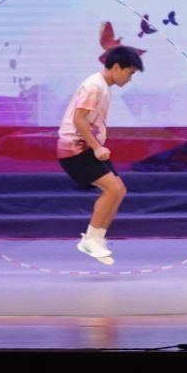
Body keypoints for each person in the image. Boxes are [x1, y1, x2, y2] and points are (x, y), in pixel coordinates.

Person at [58, 46, 143, 265]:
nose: (130, 79)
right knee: (112, 189)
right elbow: (79, 120)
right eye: (130, 73)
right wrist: (96, 147)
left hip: (86, 147)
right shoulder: (94, 86)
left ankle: (96, 238)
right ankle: (90, 239)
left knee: (119, 190)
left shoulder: (103, 86)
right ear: (116, 67)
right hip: (75, 149)